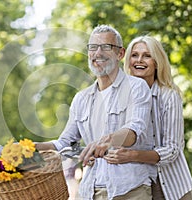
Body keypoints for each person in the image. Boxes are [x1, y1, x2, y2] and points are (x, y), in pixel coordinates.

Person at [36, 24, 156, 200]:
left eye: (106, 47)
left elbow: (133, 131)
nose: (98, 53)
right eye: (93, 47)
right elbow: (65, 144)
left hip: (130, 190)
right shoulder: (81, 99)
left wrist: (105, 141)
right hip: (91, 191)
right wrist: (33, 147)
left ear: (120, 54)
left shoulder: (136, 87)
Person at [104, 35, 192, 200]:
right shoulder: (119, 96)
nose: (139, 60)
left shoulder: (168, 96)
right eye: (134, 55)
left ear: (157, 62)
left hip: (169, 183)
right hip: (136, 184)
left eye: (147, 55)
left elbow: (172, 149)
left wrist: (133, 155)